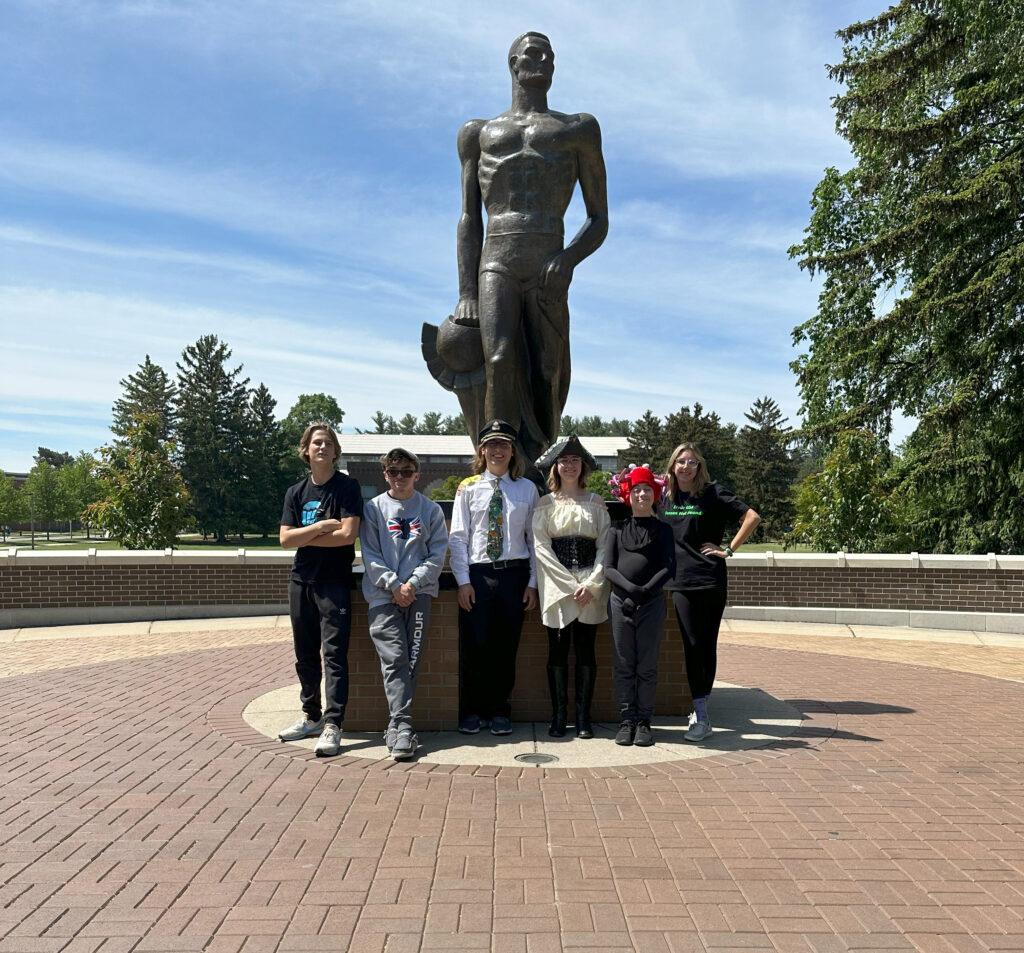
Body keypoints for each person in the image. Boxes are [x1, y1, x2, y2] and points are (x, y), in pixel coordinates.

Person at [434, 31, 609, 471]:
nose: (544, 59)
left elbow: (599, 218)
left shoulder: (578, 129)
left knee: (549, 369)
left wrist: (568, 259)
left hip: (549, 259)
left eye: (550, 54)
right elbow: (468, 218)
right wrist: (466, 292)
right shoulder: (479, 133)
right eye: (534, 52)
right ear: (512, 62)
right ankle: (498, 463)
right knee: (498, 357)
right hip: (498, 258)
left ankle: (542, 465)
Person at [660, 444, 761, 742]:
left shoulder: (712, 493)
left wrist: (728, 549)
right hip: (679, 582)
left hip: (709, 579)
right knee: (692, 645)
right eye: (681, 462)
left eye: (692, 462)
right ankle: (700, 708)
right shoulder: (666, 496)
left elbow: (752, 517)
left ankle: (701, 713)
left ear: (699, 466)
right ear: (673, 465)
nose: (686, 467)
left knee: (706, 645)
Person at [449, 419, 539, 736]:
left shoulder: (527, 489)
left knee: (505, 647)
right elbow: (458, 537)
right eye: (491, 444)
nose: (497, 450)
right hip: (479, 575)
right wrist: (463, 581)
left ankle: (500, 711)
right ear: (482, 450)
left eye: (504, 444)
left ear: (512, 451)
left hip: (514, 576)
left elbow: (533, 539)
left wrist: (532, 583)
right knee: (476, 645)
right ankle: (473, 710)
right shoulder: (468, 488)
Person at [278, 423, 363, 757]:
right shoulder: (296, 492)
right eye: (316, 443)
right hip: (301, 580)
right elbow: (285, 540)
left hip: (334, 583)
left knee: (334, 656)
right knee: (305, 654)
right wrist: (319, 526)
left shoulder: (347, 487)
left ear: (335, 450)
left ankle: (333, 724)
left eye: (328, 443)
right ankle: (310, 715)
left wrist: (305, 535)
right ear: (306, 450)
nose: (322, 447)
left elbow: (347, 535)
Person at [360, 448, 448, 761]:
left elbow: (437, 554)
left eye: (406, 471)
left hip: (419, 593)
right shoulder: (373, 509)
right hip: (383, 595)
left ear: (416, 474)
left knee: (411, 659)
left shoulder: (431, 510)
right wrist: (395, 585)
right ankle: (403, 725)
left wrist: (411, 584)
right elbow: (370, 553)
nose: (400, 477)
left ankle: (398, 727)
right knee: (395, 656)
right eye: (393, 471)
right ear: (385, 474)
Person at [532, 435, 610, 738]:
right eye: (563, 460)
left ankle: (582, 718)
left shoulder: (595, 502)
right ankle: (559, 715)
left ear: (583, 466)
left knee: (587, 651)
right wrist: (568, 584)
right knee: (558, 651)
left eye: (575, 460)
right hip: (558, 587)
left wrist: (591, 583)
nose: (569, 465)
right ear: (555, 466)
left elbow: (605, 547)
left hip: (591, 587)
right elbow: (541, 548)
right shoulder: (545, 504)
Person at [604, 466, 675, 748]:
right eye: (636, 490)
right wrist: (630, 591)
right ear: (628, 495)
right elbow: (609, 568)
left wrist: (645, 592)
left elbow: (669, 567)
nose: (642, 494)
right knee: (624, 665)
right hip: (620, 603)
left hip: (652, 604)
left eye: (646, 489)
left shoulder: (663, 530)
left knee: (646, 666)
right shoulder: (616, 530)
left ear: (654, 494)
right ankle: (627, 720)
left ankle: (644, 721)